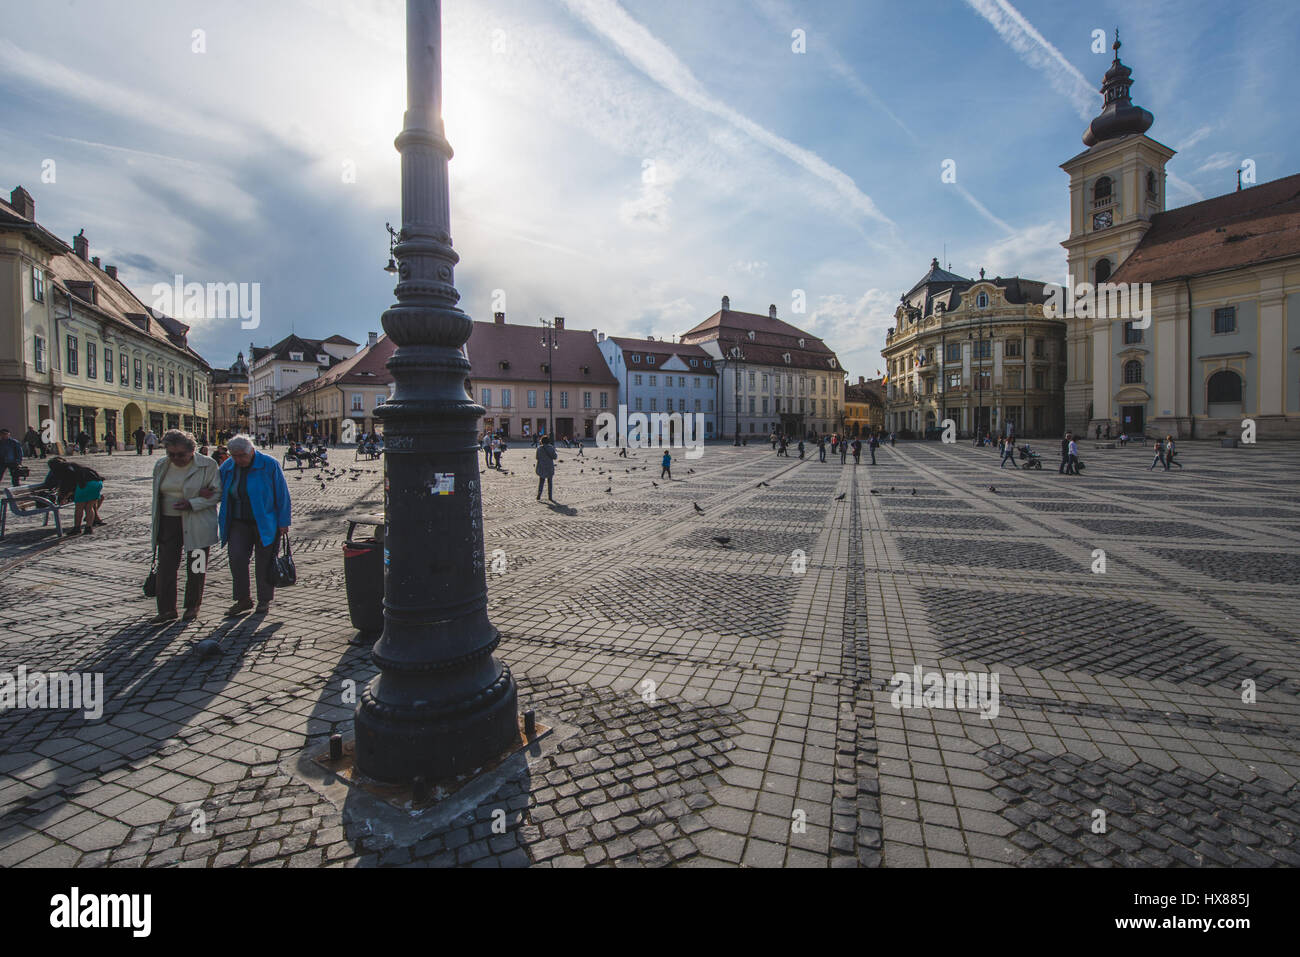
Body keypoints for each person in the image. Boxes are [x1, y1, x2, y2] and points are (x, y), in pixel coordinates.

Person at [149, 431, 220, 623]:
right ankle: (166, 609)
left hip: (197, 522)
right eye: (171, 454)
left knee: (196, 564)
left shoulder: (207, 465)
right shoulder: (162, 465)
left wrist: (193, 503)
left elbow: (217, 493)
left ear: (192, 451)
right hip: (168, 521)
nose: (176, 458)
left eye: (180, 454)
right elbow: (158, 494)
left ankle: (192, 605)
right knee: (166, 566)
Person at [218, 435, 291, 617]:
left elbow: (282, 495)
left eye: (242, 455)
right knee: (237, 559)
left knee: (264, 562)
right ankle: (243, 599)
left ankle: (264, 600)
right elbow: (217, 490)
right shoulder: (228, 467)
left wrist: (283, 522)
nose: (238, 459)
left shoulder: (269, 464)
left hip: (266, 522)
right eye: (234, 455)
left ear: (251, 451)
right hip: (238, 521)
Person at [535, 435, 557, 502]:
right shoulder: (551, 448)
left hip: (541, 466)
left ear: (541, 441)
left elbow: (537, 457)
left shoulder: (539, 448)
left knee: (541, 481)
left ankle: (539, 494)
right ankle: (550, 496)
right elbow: (555, 457)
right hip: (549, 467)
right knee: (550, 482)